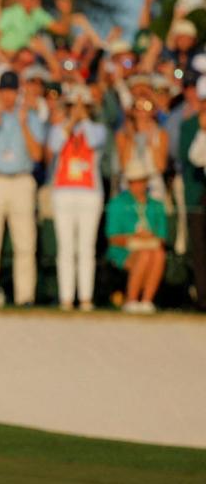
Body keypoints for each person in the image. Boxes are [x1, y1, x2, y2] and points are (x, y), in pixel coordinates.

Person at [0, 71, 45, 306]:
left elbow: (36, 154)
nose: (8, 95)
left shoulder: (30, 116)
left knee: (25, 243)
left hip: (21, 180)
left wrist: (23, 124)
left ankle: (25, 296)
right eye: (5, 90)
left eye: (12, 91)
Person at [47, 85, 107, 311]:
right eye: (73, 106)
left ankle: (85, 298)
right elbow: (55, 145)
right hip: (63, 191)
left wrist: (84, 119)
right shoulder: (58, 128)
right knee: (65, 248)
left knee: (86, 248)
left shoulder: (97, 129)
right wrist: (71, 121)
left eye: (82, 106)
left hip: (89, 192)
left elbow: (92, 142)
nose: (77, 110)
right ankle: (66, 298)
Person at [106, 160, 167, 313]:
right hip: (124, 250)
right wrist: (136, 237)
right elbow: (113, 237)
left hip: (151, 247)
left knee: (158, 255)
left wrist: (149, 237)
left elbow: (162, 236)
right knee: (145, 255)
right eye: (133, 182)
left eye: (141, 181)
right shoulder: (117, 203)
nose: (137, 185)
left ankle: (147, 301)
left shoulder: (156, 205)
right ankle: (131, 300)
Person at [180, 79, 206, 312]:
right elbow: (196, 158)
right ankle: (203, 298)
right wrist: (203, 131)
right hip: (201, 194)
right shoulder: (191, 126)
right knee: (200, 248)